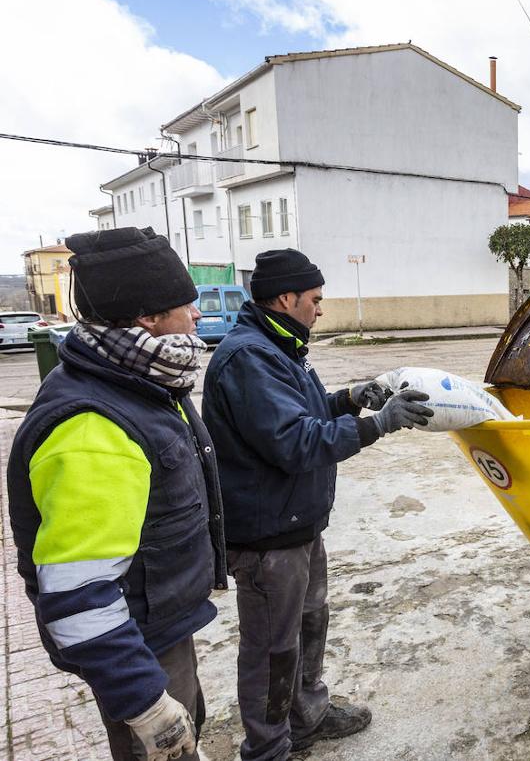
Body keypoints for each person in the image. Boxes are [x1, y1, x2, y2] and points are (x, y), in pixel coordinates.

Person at [202, 249, 431, 760]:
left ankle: (307, 716)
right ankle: (268, 749)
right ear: (287, 298)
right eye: (315, 299)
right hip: (267, 540)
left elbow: (303, 411)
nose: (320, 310)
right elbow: (294, 441)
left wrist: (351, 398)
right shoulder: (249, 357)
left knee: (309, 624)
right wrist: (379, 424)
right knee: (271, 650)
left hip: (297, 524)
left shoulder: (278, 347)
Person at [6, 227, 225, 761]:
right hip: (138, 644)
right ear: (147, 318)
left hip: (160, 623)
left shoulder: (137, 378)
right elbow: (78, 596)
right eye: (186, 306)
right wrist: (145, 703)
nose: (196, 318)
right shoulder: (94, 427)